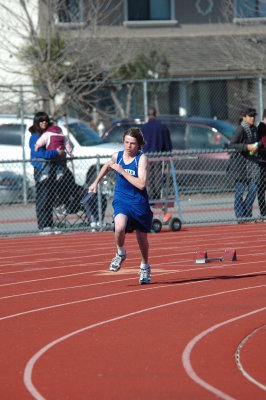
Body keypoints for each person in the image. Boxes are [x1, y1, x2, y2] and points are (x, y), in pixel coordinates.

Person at [89, 127, 153, 285]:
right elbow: (107, 165)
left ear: (138, 145)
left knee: (142, 238)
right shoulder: (117, 156)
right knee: (119, 227)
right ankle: (120, 252)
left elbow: (141, 184)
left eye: (132, 143)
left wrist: (123, 172)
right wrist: (95, 182)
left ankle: (144, 265)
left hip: (138, 202)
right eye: (126, 142)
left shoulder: (142, 159)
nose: (129, 146)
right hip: (122, 200)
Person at [29, 112, 64, 234]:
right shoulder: (34, 136)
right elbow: (40, 154)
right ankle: (43, 226)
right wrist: (55, 153)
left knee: (50, 198)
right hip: (41, 170)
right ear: (37, 122)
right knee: (43, 197)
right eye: (41, 120)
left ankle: (49, 224)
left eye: (46, 120)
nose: (44, 122)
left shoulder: (49, 134)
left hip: (52, 169)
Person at [229, 107, 261, 222]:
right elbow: (232, 145)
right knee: (239, 192)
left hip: (252, 165)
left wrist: (256, 148)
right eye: (250, 116)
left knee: (253, 189)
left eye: (254, 116)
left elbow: (257, 144)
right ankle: (240, 217)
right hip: (240, 166)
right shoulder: (240, 129)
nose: (252, 118)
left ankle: (247, 214)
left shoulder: (254, 129)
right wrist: (246, 147)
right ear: (244, 117)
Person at [141, 107, 172, 200]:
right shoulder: (162, 127)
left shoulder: (143, 128)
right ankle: (157, 195)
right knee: (157, 175)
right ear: (156, 114)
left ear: (148, 115)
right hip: (158, 155)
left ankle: (150, 195)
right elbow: (167, 143)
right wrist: (168, 153)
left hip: (146, 155)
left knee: (148, 176)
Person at [257, 109, 266, 220]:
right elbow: (262, 144)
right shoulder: (262, 127)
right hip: (263, 162)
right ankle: (263, 211)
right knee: (261, 188)